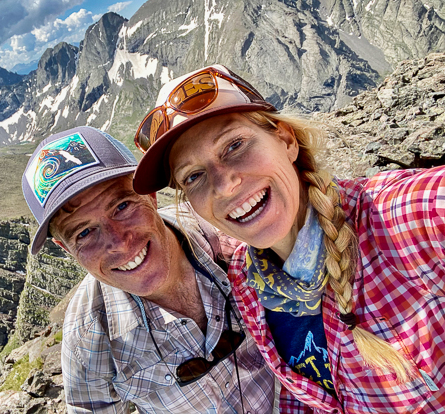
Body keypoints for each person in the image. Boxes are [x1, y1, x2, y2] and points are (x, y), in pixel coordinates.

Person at [132, 64, 445, 414]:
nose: (224, 185)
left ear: (285, 140)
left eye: (234, 144)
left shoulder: (406, 216)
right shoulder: (248, 282)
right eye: (193, 177)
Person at [21, 126, 276, 413]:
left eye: (122, 206)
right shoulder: (89, 334)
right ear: (67, 249)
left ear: (151, 196)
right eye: (84, 233)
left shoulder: (229, 235)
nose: (119, 242)